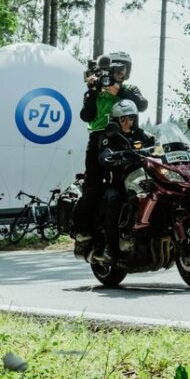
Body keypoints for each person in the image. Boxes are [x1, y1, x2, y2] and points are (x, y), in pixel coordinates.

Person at [73, 51, 148, 248]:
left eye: (124, 68)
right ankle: (82, 228)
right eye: (117, 68)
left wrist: (119, 90)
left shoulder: (130, 87)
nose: (120, 72)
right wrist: (91, 90)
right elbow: (86, 115)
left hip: (129, 136)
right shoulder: (96, 87)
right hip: (99, 136)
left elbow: (142, 105)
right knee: (92, 182)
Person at [95, 99, 155, 264]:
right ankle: (111, 249)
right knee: (114, 199)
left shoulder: (143, 135)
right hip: (120, 183)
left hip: (145, 179)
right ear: (116, 121)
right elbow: (103, 155)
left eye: (130, 118)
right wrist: (110, 156)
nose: (128, 122)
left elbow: (158, 149)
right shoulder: (109, 137)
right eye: (123, 119)